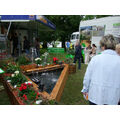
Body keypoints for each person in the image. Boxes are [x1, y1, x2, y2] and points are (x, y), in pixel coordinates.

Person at [81, 34, 120, 105]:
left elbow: (87, 77)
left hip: (95, 97)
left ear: (103, 46)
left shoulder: (95, 59)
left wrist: (85, 89)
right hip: (113, 98)